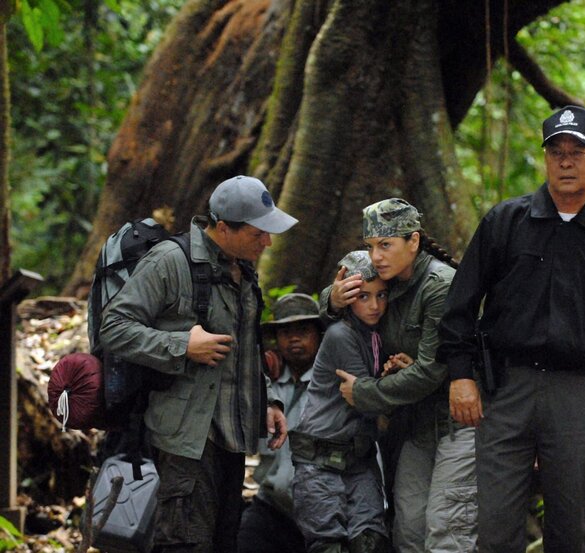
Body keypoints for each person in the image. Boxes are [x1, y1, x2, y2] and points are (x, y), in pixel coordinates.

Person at [436, 105, 585, 553]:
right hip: (507, 389)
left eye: (577, 152)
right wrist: (461, 375)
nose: (565, 161)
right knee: (496, 528)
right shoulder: (505, 222)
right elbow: (459, 306)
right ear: (545, 159)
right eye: (556, 151)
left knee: (572, 529)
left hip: (579, 396)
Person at [99, 175, 296, 552]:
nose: (268, 242)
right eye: (258, 234)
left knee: (223, 542)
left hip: (231, 437)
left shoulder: (242, 267)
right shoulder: (171, 261)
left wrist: (268, 400)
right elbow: (115, 327)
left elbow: (245, 347)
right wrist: (181, 345)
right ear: (223, 227)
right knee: (184, 544)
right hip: (186, 441)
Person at [323, 199, 477, 553]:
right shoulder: (385, 279)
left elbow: (430, 371)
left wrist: (364, 392)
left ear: (414, 242)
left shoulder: (440, 285)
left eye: (386, 245)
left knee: (448, 531)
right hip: (416, 426)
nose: (376, 256)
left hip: (458, 425)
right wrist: (332, 299)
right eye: (371, 246)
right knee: (407, 531)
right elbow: (340, 293)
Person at [291, 251, 393, 553]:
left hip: (359, 460)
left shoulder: (379, 334)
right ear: (347, 296)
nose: (374, 306)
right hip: (320, 462)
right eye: (363, 296)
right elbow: (369, 398)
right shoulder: (340, 334)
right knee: (328, 544)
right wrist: (396, 381)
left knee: (370, 540)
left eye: (381, 295)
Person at [238, 293, 324, 553]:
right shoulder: (267, 384)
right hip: (271, 506)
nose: (294, 338)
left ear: (319, 335)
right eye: (286, 332)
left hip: (321, 512)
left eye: (303, 330)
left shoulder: (333, 383)